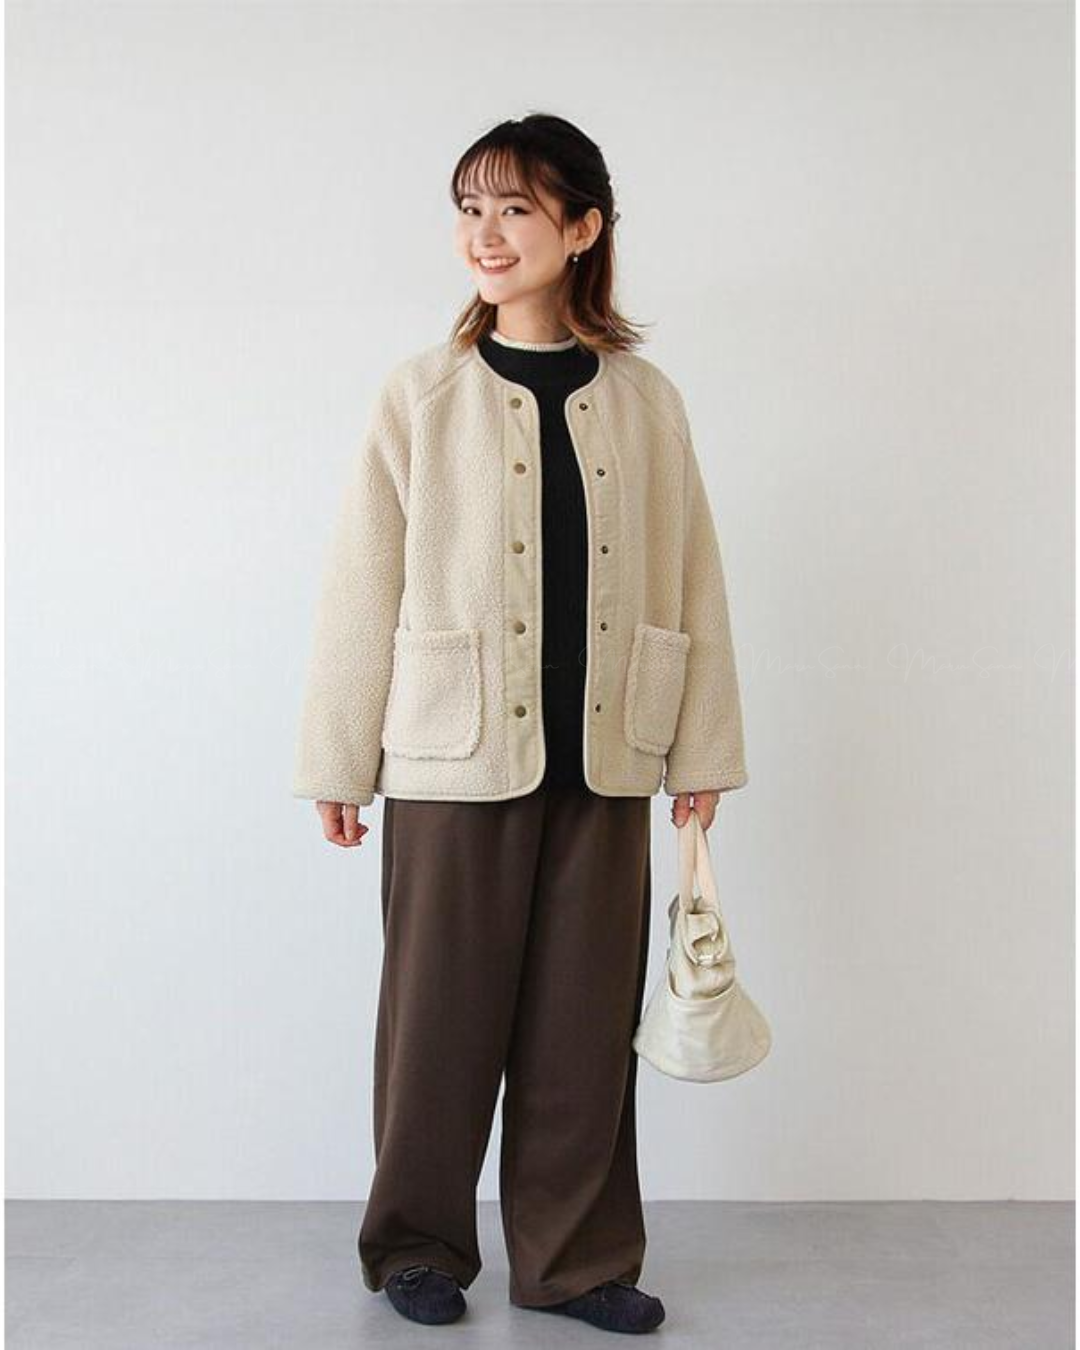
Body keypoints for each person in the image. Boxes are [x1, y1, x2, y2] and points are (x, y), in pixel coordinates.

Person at [292, 113, 749, 1335]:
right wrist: (338, 757)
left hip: (608, 753)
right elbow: (361, 585)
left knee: (585, 1029)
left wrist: (703, 749)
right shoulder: (422, 395)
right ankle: (417, 1246)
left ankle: (576, 1261)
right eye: (469, 208)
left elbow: (694, 576)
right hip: (451, 757)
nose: (484, 234)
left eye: (515, 209)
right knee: (437, 1023)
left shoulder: (646, 401)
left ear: (584, 228)